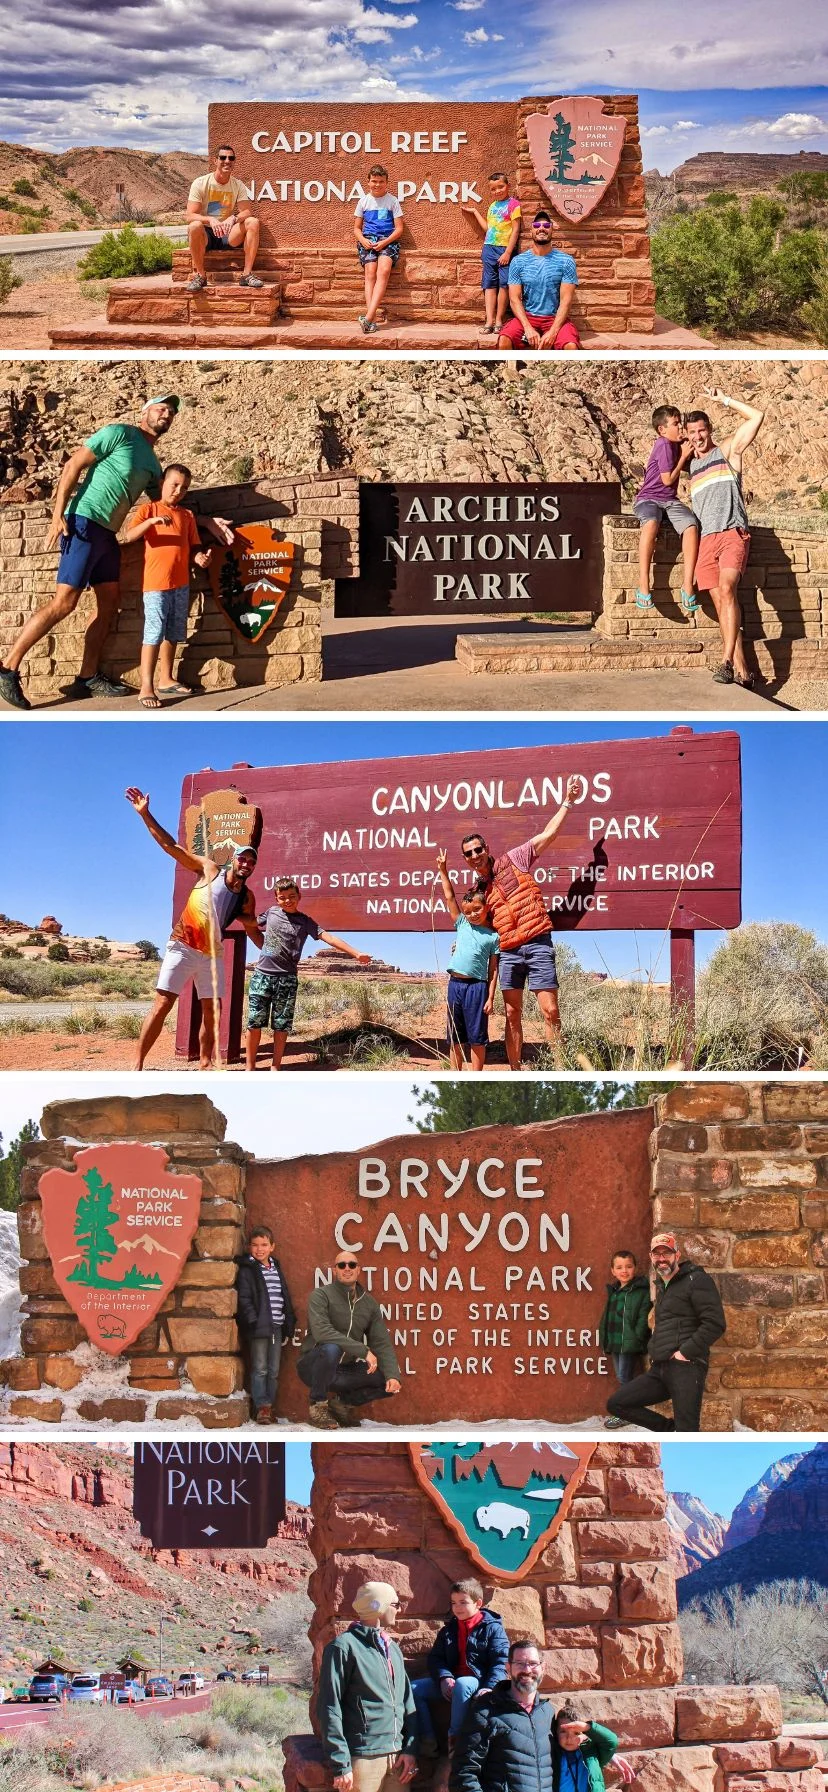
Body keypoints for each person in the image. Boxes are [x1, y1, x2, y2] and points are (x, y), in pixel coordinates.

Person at [0, 396, 180, 711]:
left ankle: (87, 677)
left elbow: (164, 504)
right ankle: (7, 667)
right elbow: (73, 465)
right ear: (144, 411)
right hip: (82, 520)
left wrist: (205, 521)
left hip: (108, 534)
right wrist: (59, 514)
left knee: (109, 605)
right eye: (161, 407)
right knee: (65, 602)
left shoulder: (154, 466)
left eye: (172, 411)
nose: (167, 413)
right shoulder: (119, 433)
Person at [125, 787, 262, 1069]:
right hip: (183, 946)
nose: (246, 863)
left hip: (212, 955)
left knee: (213, 1012)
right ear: (233, 859)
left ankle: (204, 1063)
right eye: (243, 858)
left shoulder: (247, 898)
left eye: (251, 861)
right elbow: (171, 847)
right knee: (163, 1004)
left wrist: (271, 949)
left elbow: (251, 927)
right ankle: (137, 1065)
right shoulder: (210, 870)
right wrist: (145, 814)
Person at [459, 774, 580, 1069]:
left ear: (486, 848)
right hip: (510, 952)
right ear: (466, 859)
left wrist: (568, 802)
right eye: (469, 854)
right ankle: (515, 1069)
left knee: (550, 1011)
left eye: (478, 849)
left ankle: (560, 1068)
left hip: (537, 943)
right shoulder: (479, 892)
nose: (475, 855)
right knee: (512, 1015)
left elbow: (548, 835)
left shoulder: (515, 858)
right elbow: (477, 925)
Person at [245, 876, 372, 1071]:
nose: (288, 900)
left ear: (299, 896)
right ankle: (249, 1068)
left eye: (292, 896)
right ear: (276, 899)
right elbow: (252, 923)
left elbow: (328, 937)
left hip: (287, 978)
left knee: (282, 1025)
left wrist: (356, 953)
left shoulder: (305, 922)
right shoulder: (271, 913)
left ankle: (275, 1066)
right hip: (262, 975)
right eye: (282, 897)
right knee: (254, 1023)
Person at [605, 1231, 726, 1433]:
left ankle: (680, 1432)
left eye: (666, 1253)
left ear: (676, 1255)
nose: (662, 1258)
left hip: (686, 1368)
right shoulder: (663, 1286)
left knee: (687, 1430)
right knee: (618, 1403)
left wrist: (684, 1353)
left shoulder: (696, 1280)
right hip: (660, 1368)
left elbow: (715, 1323)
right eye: (657, 1254)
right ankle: (670, 1430)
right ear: (652, 1257)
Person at [686, 386, 765, 688]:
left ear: (710, 430)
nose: (698, 436)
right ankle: (745, 673)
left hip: (732, 533)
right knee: (722, 604)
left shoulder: (728, 451)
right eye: (692, 432)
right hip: (707, 540)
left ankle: (726, 661)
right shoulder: (691, 468)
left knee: (728, 590)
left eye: (702, 430)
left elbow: (757, 416)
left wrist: (726, 400)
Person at [121, 463, 219, 708]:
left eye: (184, 487)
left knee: (173, 632)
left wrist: (199, 558)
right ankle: (146, 686)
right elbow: (129, 536)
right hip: (156, 584)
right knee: (153, 633)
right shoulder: (149, 508)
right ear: (162, 483)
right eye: (174, 484)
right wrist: (152, 522)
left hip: (181, 583)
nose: (178, 491)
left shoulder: (187, 516)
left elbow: (193, 546)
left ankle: (166, 678)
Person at [317, 1580, 418, 1792]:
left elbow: (407, 1702)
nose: (398, 1610)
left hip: (398, 1757)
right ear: (379, 1606)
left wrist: (410, 1749)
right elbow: (329, 1707)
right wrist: (341, 1763)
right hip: (362, 1757)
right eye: (395, 1604)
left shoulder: (393, 1650)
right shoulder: (343, 1648)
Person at [297, 1250, 402, 1429]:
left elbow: (381, 1342)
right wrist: (363, 1351)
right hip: (314, 1368)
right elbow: (322, 1332)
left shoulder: (369, 1304)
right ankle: (318, 1405)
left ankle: (342, 1404)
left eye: (352, 1265)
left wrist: (393, 1376)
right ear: (335, 1271)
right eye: (342, 1265)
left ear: (358, 1270)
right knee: (331, 1348)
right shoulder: (321, 1296)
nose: (347, 1268)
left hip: (343, 1371)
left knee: (387, 1377)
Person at [411, 1580, 509, 1764]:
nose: (457, 1608)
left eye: (463, 1602)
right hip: (452, 1682)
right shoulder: (449, 1630)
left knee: (464, 1683)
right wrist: (444, 1677)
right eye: (453, 1603)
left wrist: (489, 1687)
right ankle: (427, 1741)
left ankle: (455, 1742)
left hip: (477, 1682)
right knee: (414, 1688)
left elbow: (500, 1661)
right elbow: (435, 1659)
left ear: (478, 1603)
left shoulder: (493, 1628)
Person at [450, 1639, 554, 1792]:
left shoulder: (547, 1712)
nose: (527, 1669)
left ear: (543, 1667)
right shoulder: (486, 1712)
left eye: (533, 1663)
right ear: (508, 1668)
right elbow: (464, 1773)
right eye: (519, 1663)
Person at [434, 850, 500, 1072]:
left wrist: (490, 998)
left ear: (486, 908)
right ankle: (456, 1072)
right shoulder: (462, 924)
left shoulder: (493, 937)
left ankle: (476, 1074)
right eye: (468, 911)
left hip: (477, 987)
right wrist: (443, 870)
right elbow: (450, 896)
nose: (473, 914)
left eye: (477, 909)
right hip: (455, 985)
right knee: (455, 1035)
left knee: (477, 1036)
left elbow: (493, 970)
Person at [633, 406, 699, 616]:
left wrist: (688, 446)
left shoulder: (677, 443)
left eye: (680, 422)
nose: (680, 426)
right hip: (649, 498)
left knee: (690, 526)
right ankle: (644, 584)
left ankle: (687, 585)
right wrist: (683, 456)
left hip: (670, 500)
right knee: (651, 523)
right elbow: (668, 479)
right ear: (662, 429)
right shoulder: (662, 444)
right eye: (675, 423)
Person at [235, 1224, 296, 1424]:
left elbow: (283, 1295)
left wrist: (288, 1322)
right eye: (255, 1245)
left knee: (273, 1370)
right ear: (250, 1247)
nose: (259, 1249)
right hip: (259, 1327)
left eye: (264, 1245)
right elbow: (244, 1299)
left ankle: (269, 1406)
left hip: (276, 1327)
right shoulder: (248, 1270)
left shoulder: (276, 1268)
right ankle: (261, 1406)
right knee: (260, 1368)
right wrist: (253, 1321)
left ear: (272, 1247)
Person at [498, 212, 581, 351]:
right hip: (528, 317)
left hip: (555, 319)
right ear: (531, 230)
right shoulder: (518, 261)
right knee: (504, 340)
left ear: (552, 229)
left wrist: (553, 332)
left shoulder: (566, 261)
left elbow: (566, 301)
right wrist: (527, 328)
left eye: (546, 225)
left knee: (571, 347)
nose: (541, 228)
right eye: (537, 225)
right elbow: (514, 299)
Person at [186, 145, 263, 290]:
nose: (227, 161)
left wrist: (233, 218)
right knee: (194, 226)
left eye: (231, 158)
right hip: (207, 234)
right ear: (215, 161)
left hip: (228, 233)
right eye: (223, 157)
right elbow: (190, 215)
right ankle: (200, 276)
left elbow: (246, 211)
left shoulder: (237, 185)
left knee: (253, 222)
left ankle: (246, 275)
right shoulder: (201, 183)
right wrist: (210, 219)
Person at [598, 1250, 653, 1431]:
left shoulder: (640, 1291)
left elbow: (643, 1316)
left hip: (629, 1343)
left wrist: (638, 1337)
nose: (624, 1271)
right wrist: (604, 1337)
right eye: (619, 1267)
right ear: (613, 1271)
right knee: (622, 1377)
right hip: (615, 1342)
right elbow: (608, 1317)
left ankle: (625, 1412)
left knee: (624, 1377)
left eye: (628, 1267)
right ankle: (626, 1410)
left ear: (635, 1268)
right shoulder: (614, 1291)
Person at [462, 173, 522, 335]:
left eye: (500, 187)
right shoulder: (492, 206)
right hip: (489, 248)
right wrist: (475, 212)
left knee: (504, 285)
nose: (497, 191)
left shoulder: (514, 205)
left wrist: (508, 252)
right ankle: (489, 320)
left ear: (508, 186)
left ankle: (499, 320)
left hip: (505, 249)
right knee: (489, 285)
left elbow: (516, 229)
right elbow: (488, 229)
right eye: (493, 189)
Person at [354, 166, 405, 335]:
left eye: (381, 182)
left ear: (386, 182)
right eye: (374, 181)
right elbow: (356, 228)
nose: (377, 185)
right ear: (368, 182)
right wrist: (363, 241)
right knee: (370, 273)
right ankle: (372, 319)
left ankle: (368, 318)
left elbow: (399, 229)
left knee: (383, 271)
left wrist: (385, 243)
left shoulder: (392, 201)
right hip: (368, 241)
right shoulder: (363, 201)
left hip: (388, 241)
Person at [553, 1707, 631, 1792]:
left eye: (576, 1733)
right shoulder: (551, 1755)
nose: (569, 1738)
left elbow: (611, 1741)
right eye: (563, 1732)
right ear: (556, 1732)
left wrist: (587, 1727)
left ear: (583, 1733)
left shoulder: (592, 1754)